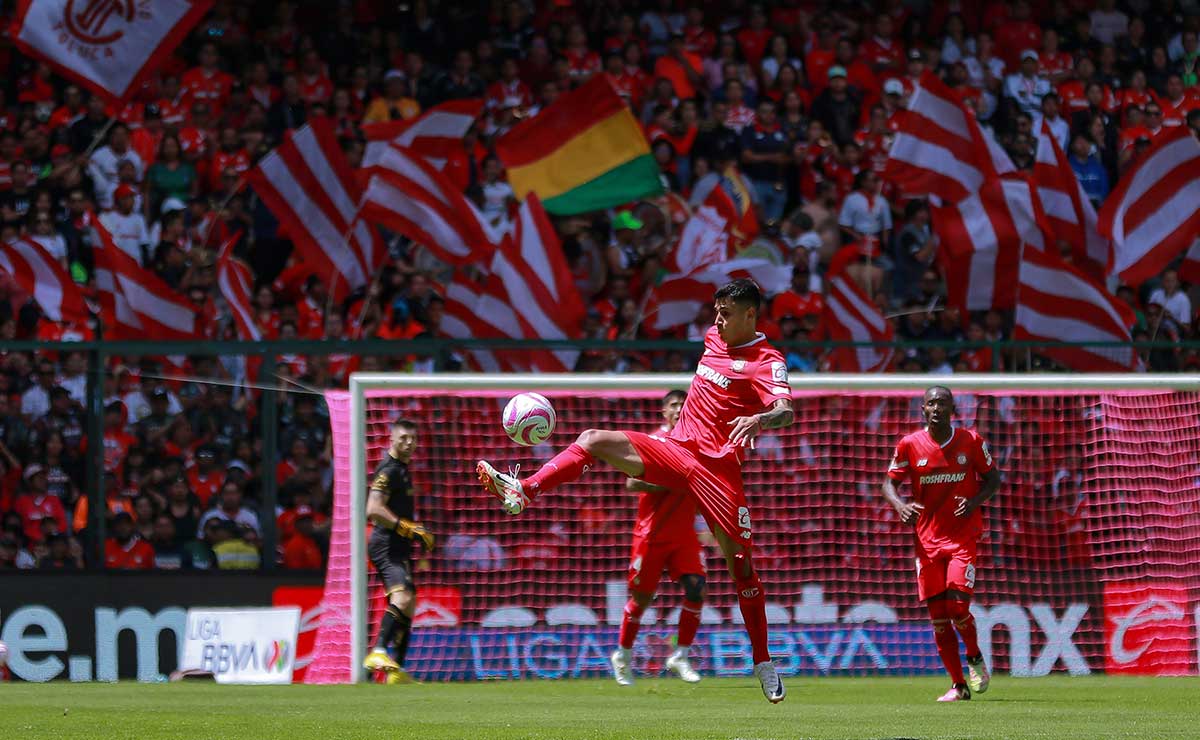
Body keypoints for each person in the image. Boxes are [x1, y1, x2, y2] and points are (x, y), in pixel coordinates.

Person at [477, 279, 793, 703]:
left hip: (717, 473)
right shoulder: (713, 337)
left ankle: (763, 660)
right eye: (716, 311)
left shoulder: (766, 360)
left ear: (751, 315)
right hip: (675, 450)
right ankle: (524, 489)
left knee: (741, 569)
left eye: (727, 313)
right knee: (591, 438)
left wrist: (760, 420)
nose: (717, 320)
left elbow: (785, 410)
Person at [880, 386, 1002, 702]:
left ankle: (974, 657)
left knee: (958, 607)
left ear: (952, 409)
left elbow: (993, 480)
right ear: (923, 409)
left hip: (962, 537)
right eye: (931, 402)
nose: (937, 407)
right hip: (927, 542)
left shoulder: (971, 441)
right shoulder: (909, 445)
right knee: (938, 618)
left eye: (943, 402)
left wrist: (974, 502)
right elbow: (888, 484)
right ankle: (958, 685)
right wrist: (900, 506)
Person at [611, 390, 705, 686]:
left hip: (684, 535)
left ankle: (680, 655)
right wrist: (673, 479)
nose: (679, 410)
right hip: (651, 534)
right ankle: (623, 656)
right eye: (673, 406)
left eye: (684, 405)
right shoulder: (653, 442)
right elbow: (632, 481)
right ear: (664, 412)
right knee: (641, 600)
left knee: (696, 588)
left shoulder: (700, 442)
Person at [362, 419, 435, 684]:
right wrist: (407, 528)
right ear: (391, 439)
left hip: (398, 546)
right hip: (386, 546)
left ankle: (398, 671)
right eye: (403, 437)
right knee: (402, 599)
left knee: (409, 604)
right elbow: (373, 509)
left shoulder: (403, 470)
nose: (408, 443)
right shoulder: (389, 470)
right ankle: (378, 652)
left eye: (413, 439)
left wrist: (415, 531)